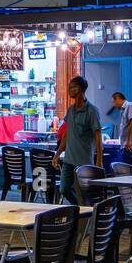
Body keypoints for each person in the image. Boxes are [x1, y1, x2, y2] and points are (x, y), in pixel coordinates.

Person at [56, 77, 104, 205]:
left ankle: (85, 214)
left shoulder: (92, 111)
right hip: (68, 160)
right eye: (69, 87)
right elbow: (66, 134)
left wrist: (99, 162)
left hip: (83, 162)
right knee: (64, 189)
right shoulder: (71, 110)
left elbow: (98, 139)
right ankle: (82, 209)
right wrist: (57, 154)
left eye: (73, 87)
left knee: (82, 192)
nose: (69, 90)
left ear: (81, 89)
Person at [112, 91, 132, 159]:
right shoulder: (124, 109)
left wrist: (129, 141)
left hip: (131, 144)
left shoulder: (130, 105)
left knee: (128, 167)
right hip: (127, 144)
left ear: (118, 99)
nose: (113, 105)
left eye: (113, 102)